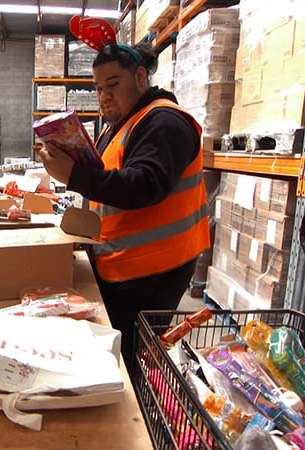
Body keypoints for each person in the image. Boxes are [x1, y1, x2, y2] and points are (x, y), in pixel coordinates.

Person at [38, 42, 210, 374]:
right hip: (123, 261)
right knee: (113, 349)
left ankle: (129, 421)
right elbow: (109, 180)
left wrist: (74, 175)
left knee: (127, 359)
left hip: (153, 270)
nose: (104, 96)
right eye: (99, 88)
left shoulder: (164, 123)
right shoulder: (123, 125)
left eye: (113, 85)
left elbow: (144, 185)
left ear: (141, 77)